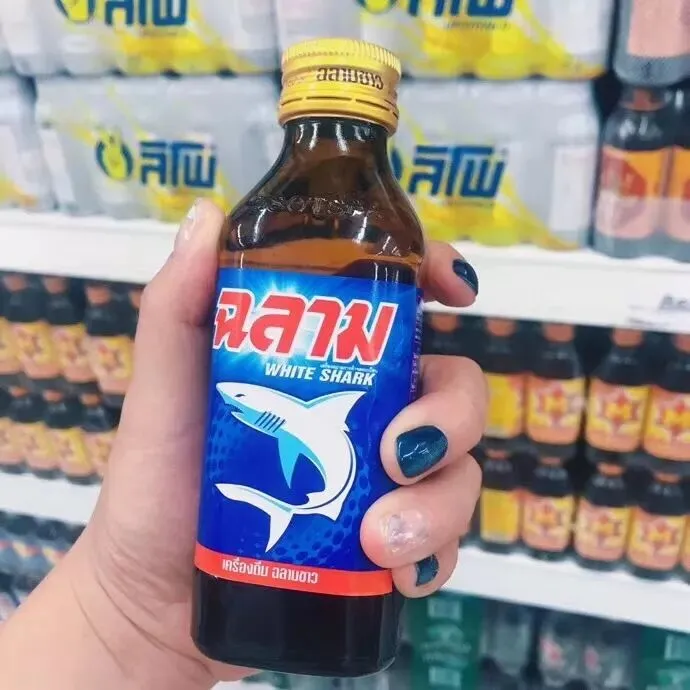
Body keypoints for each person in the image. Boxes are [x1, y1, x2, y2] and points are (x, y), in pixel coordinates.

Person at [0, 200, 486, 689]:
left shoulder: (360, 224)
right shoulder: (261, 221)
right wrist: (124, 615)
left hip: (339, 544)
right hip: (203, 595)